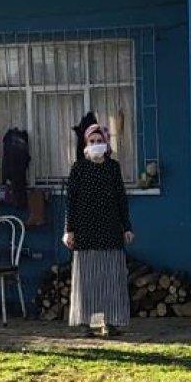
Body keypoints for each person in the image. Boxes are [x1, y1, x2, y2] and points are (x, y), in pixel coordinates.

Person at [63, 122, 135, 337]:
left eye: (99, 141)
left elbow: (121, 199)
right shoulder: (79, 168)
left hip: (111, 230)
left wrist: (127, 227)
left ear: (106, 144)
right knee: (87, 280)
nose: (96, 145)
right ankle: (86, 323)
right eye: (92, 142)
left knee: (111, 278)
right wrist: (69, 230)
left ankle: (110, 323)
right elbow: (71, 201)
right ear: (86, 145)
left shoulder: (113, 168)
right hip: (85, 232)